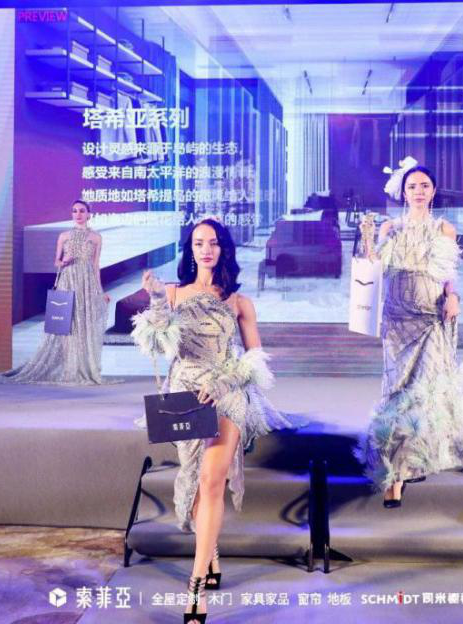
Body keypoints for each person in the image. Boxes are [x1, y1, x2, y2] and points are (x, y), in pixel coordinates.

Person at [132, 218, 296, 624]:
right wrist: (156, 299)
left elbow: (255, 360)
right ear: (190, 250)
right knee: (195, 478)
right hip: (185, 397)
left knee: (210, 480)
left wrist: (224, 383)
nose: (206, 249)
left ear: (224, 249)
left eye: (213, 243)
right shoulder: (173, 293)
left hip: (226, 394)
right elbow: (156, 342)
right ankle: (212, 552)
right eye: (198, 243)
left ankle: (196, 587)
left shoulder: (239, 301)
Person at [355, 160, 463, 507]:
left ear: (433, 192)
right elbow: (374, 268)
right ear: (403, 193)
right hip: (397, 318)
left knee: (425, 393)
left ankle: (406, 468)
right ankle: (395, 470)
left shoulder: (444, 229)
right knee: (397, 393)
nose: (418, 191)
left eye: (424, 186)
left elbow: (449, 272)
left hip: (431, 316)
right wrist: (368, 239)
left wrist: (453, 297)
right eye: (412, 186)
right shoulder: (391, 227)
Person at [0, 200, 110, 385]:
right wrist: (64, 261)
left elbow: (95, 265)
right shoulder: (64, 236)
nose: (78, 214)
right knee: (67, 325)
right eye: (74, 211)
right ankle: (70, 368)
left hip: (86, 283)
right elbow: (57, 262)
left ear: (89, 214)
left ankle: (82, 368)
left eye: (82, 211)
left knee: (83, 323)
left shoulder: (96, 237)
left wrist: (100, 291)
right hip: (68, 281)